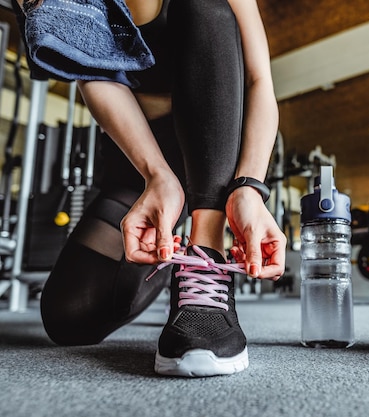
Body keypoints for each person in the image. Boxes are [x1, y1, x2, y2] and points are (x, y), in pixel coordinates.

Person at [12, 0, 286, 377]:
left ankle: (204, 259)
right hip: (140, 159)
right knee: (69, 317)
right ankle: (169, 253)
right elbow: (94, 73)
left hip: (216, 158)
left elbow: (260, 82)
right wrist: (156, 174)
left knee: (204, 7)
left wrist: (249, 187)